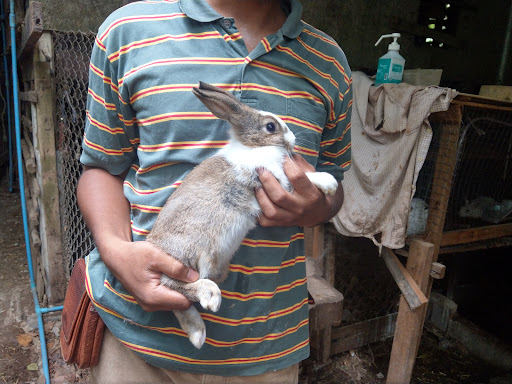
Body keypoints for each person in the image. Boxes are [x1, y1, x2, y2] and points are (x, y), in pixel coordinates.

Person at [77, 0, 352, 382]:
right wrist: (116, 251)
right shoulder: (127, 30)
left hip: (267, 345)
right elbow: (100, 168)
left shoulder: (330, 62)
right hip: (139, 340)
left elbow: (335, 183)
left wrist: (316, 208)